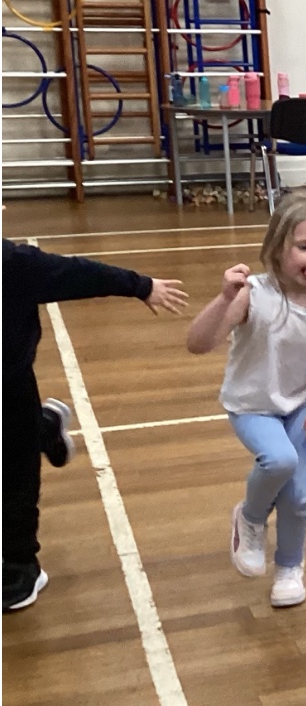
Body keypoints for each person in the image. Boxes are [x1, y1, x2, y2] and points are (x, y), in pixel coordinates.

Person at [185, 196, 306, 610]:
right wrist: (223, 298)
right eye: (305, 246)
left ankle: (290, 567)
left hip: (301, 405)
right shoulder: (253, 295)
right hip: (252, 405)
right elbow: (197, 344)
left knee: (298, 494)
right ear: (278, 247)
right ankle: (251, 517)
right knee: (279, 460)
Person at [2, 240, 188, 612]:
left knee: (15, 475)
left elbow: (79, 274)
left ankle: (21, 564)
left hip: (10, 387)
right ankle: (46, 426)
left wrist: (141, 286)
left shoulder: (13, 264)